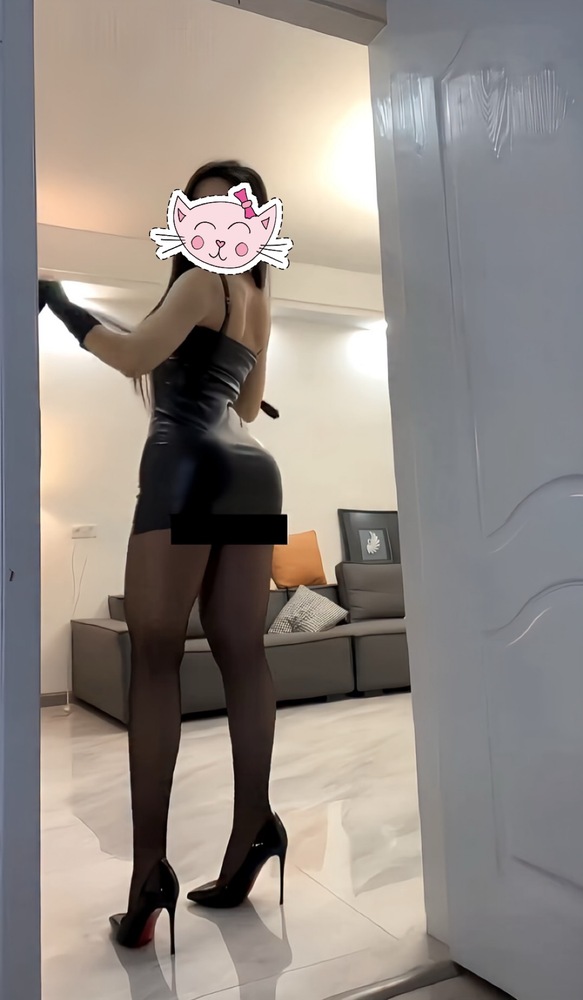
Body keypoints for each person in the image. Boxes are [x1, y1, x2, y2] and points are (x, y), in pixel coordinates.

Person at [39, 160, 288, 955]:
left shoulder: (200, 283)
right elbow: (244, 404)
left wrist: (59, 303)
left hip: (186, 466)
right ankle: (254, 829)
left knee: (153, 660)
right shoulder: (256, 296)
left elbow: (132, 355)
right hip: (253, 471)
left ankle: (148, 873)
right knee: (243, 654)